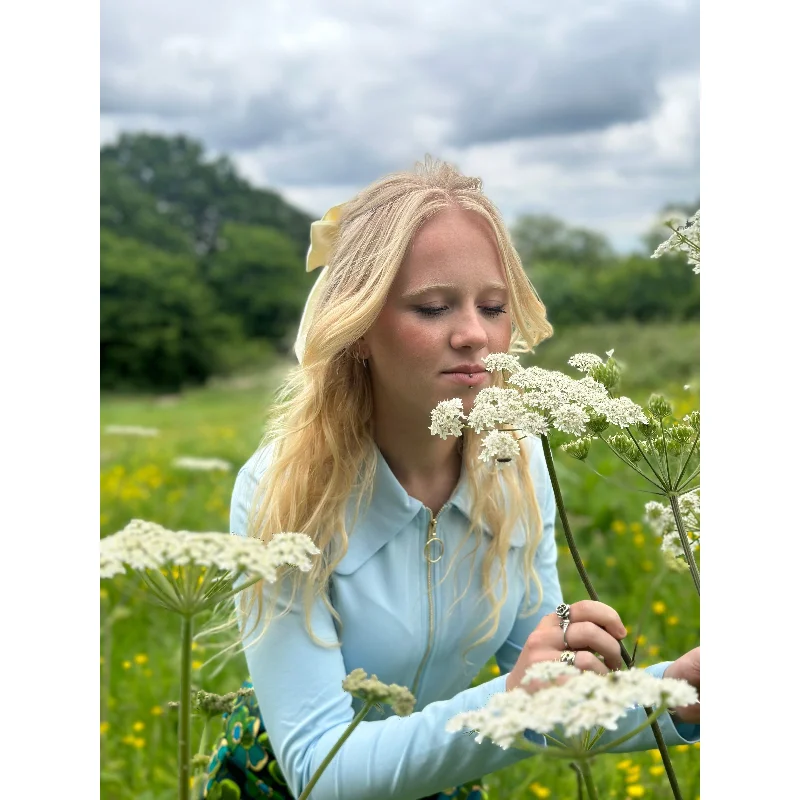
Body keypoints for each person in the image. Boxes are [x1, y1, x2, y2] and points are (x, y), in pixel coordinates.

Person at [202, 157, 700, 800]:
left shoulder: (517, 468)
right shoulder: (282, 489)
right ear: (357, 329)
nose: (474, 335)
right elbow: (318, 768)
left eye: (493, 306)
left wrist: (677, 695)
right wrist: (509, 701)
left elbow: (549, 690)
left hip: (440, 768)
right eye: (433, 308)